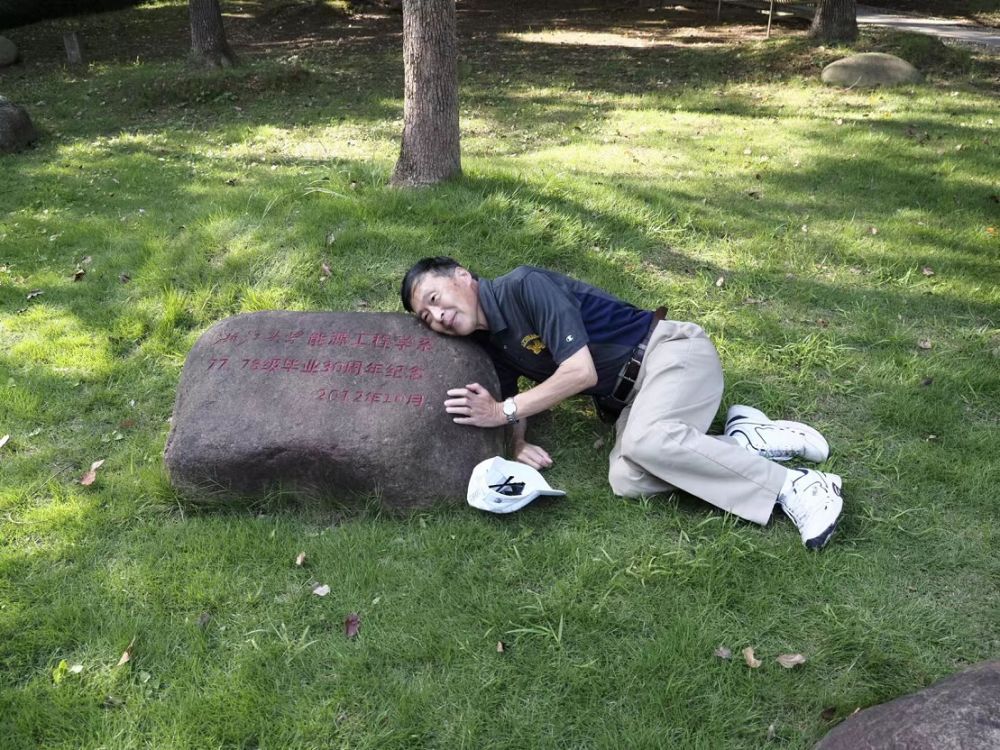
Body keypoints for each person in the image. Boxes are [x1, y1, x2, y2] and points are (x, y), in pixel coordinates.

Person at [400, 257, 843, 549]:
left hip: (670, 352)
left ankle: (797, 486)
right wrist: (516, 441)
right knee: (627, 479)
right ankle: (744, 442)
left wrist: (502, 413)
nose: (437, 316)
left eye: (434, 299)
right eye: (426, 317)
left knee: (647, 443)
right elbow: (513, 395)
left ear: (462, 276)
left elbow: (580, 373)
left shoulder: (523, 287)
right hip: (634, 397)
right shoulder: (490, 341)